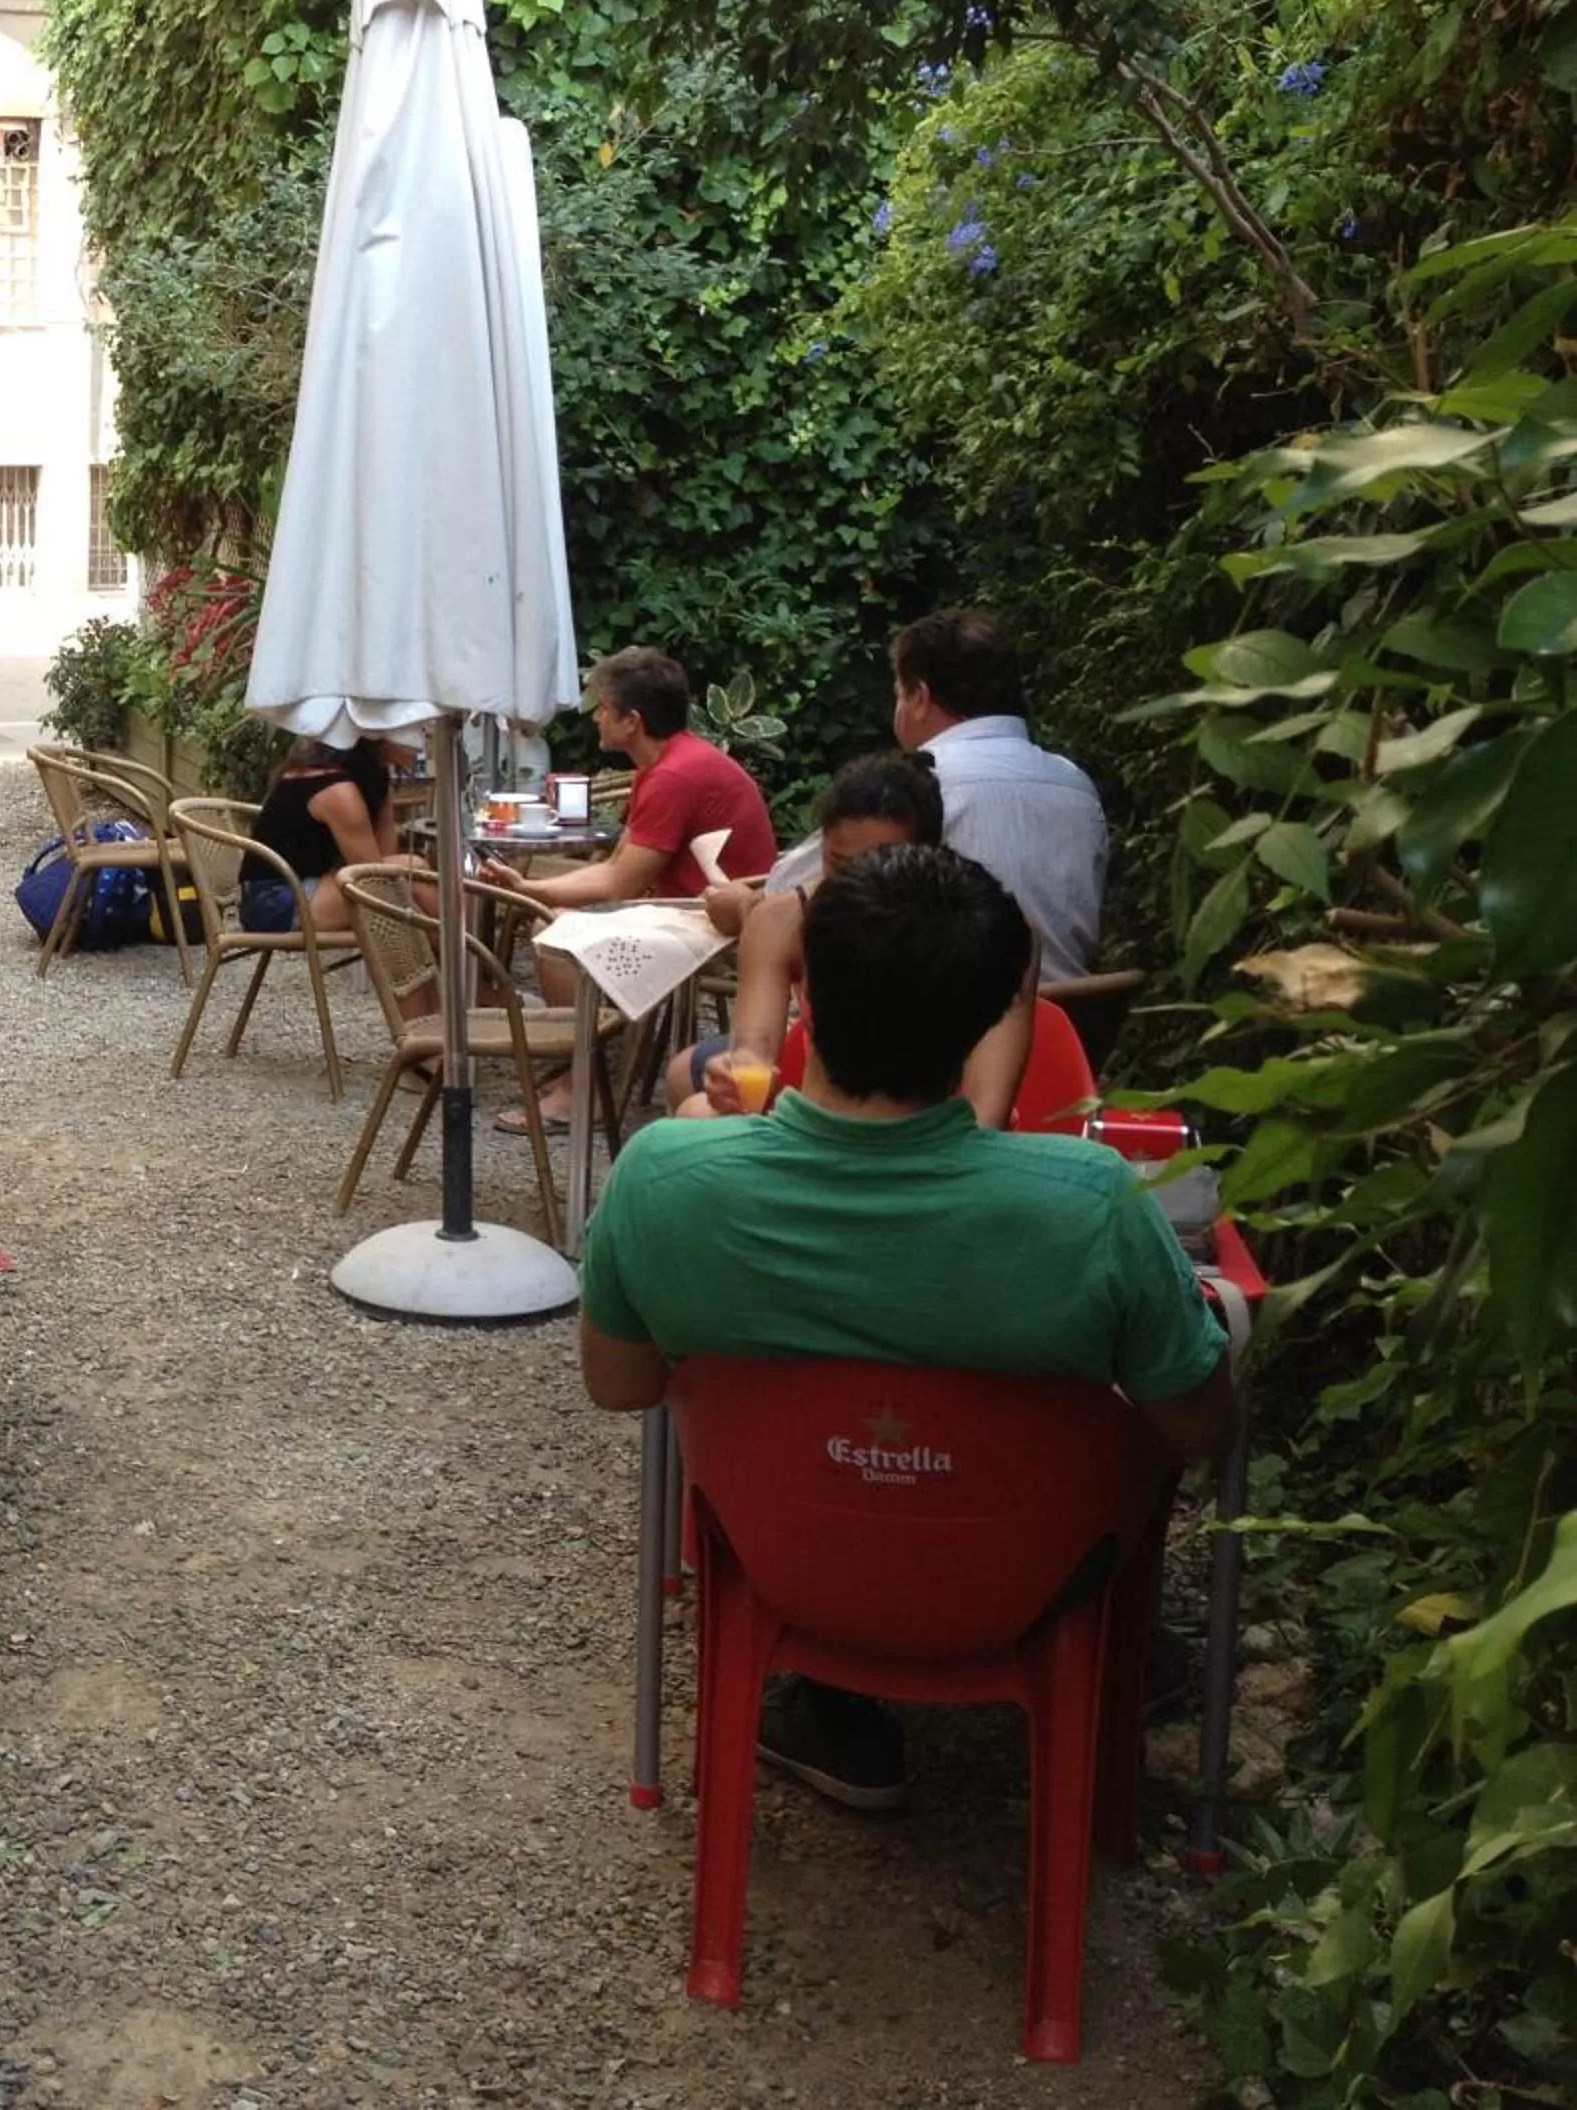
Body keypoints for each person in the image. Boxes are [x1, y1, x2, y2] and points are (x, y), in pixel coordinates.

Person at [576, 843, 1237, 1807]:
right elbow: (1201, 1425)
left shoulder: (667, 1176)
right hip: (1036, 1584)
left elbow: (621, 1385)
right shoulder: (1094, 1205)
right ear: (992, 1014)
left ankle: (830, 1709)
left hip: (785, 1567)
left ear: (810, 999)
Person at [486, 648, 775, 1134]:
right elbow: (621, 863)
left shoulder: (675, 775)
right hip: (711, 903)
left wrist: (532, 888)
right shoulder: (667, 762)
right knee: (551, 915)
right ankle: (585, 1066)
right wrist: (534, 888)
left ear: (632, 721)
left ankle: (586, 1088)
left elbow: (621, 882)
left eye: (603, 706)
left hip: (728, 919)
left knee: (553, 933)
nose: (596, 716)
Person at [671, 751, 1034, 1131]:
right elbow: (751, 1057)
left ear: (928, 854)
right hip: (829, 1127)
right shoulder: (783, 921)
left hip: (942, 1137)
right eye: (841, 867)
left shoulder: (982, 929)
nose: (858, 887)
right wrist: (735, 1081)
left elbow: (986, 1110)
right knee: (697, 1113)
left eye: (881, 863)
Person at [768, 610, 1108, 983]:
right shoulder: (1076, 783)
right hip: (1076, 1022)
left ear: (919, 697)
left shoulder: (918, 784)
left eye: (899, 694)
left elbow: (785, 896)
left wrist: (742, 907)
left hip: (948, 1026)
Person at [237, 734, 417, 933]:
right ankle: (450, 952)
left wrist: (383, 801)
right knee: (412, 874)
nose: (424, 732)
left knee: (411, 876)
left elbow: (386, 859)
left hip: (315, 885)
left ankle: (449, 951)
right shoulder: (335, 788)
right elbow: (374, 881)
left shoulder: (369, 778)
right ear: (376, 735)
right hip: (273, 902)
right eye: (413, 725)